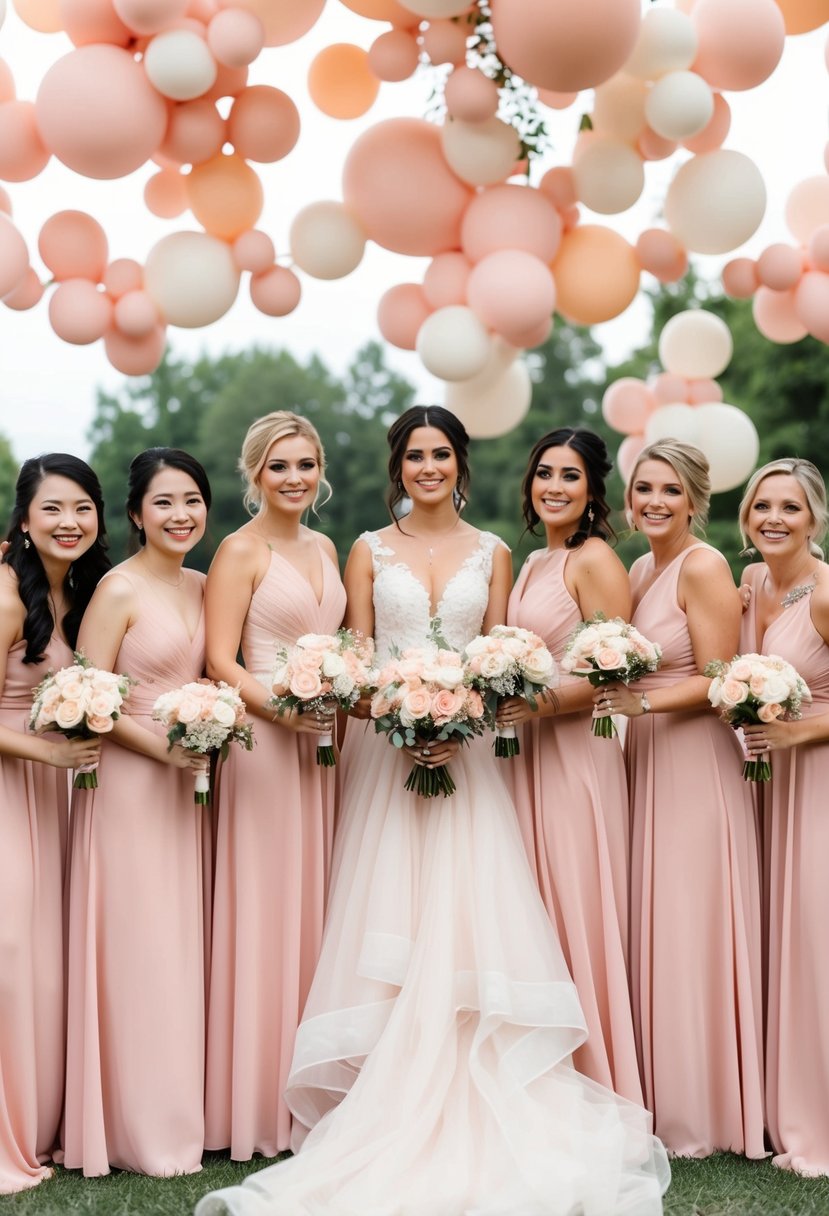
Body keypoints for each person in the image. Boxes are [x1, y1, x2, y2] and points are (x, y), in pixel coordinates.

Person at [196, 406, 668, 1216]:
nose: (427, 467)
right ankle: (383, 1085)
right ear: (396, 465)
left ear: (461, 464)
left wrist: (458, 722)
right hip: (383, 753)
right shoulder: (365, 549)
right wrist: (400, 718)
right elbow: (354, 650)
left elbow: (499, 656)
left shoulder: (495, 551)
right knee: (391, 916)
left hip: (473, 752)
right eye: (413, 455)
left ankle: (470, 1078)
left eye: (440, 454)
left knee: (469, 910)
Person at [594, 439, 765, 1158]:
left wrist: (636, 704)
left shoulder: (702, 565)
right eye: (642, 489)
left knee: (690, 925)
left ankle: (704, 1111)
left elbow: (719, 679)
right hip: (646, 761)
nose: (653, 503)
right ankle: (661, 1094)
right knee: (656, 921)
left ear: (695, 499)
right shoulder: (639, 567)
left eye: (668, 491)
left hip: (693, 763)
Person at [62, 448, 212, 1177]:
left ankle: (181, 1107)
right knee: (138, 947)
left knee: (179, 946)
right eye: (163, 502)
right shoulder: (118, 591)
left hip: (190, 785)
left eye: (191, 500)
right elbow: (88, 699)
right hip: (129, 784)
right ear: (134, 515)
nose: (180, 515)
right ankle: (132, 1125)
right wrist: (163, 750)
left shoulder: (206, 586)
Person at [203, 412, 345, 1160]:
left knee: (313, 909)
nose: (294, 478)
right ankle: (251, 1104)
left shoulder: (324, 546)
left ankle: (309, 1088)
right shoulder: (239, 551)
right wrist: (283, 710)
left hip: (321, 750)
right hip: (264, 746)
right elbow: (221, 659)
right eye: (279, 466)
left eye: (305, 464)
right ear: (254, 472)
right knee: (263, 911)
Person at [498, 427, 641, 1104]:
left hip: (576, 754)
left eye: (569, 477)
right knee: (538, 910)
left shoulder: (593, 560)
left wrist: (537, 705)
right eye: (544, 473)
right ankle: (542, 1074)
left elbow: (616, 672)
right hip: (527, 755)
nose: (553, 486)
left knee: (577, 904)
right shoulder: (533, 564)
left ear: (591, 492)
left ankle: (598, 1076)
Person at [0, 454, 108, 1194]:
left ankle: (41, 1116)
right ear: (25, 519)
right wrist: (46, 749)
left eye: (82, 509)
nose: (69, 523)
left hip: (55, 797)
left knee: (45, 959)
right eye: (52, 510)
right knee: (10, 951)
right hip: (11, 785)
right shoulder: (7, 597)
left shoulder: (86, 593)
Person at [739, 458, 829, 1176]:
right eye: (761, 505)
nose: (773, 518)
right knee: (779, 936)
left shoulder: (824, 595)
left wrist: (804, 731)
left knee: (813, 938)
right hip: (765, 785)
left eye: (789, 508)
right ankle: (776, 1105)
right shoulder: (751, 586)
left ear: (814, 518)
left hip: (816, 782)